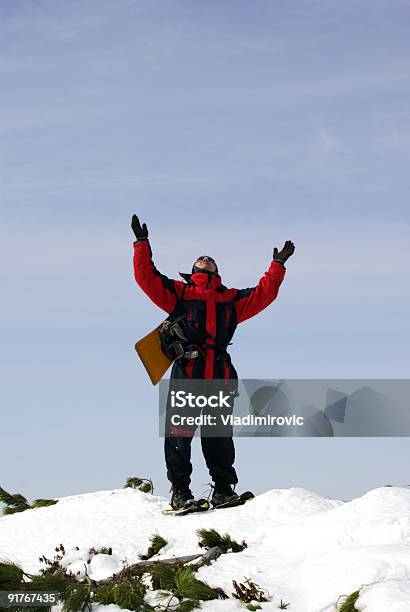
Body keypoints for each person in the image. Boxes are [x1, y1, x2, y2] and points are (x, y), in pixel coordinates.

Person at [132, 215, 295, 509]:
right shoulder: (179, 294)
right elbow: (147, 279)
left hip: (220, 375)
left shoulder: (231, 300)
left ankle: (223, 490)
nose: (206, 259)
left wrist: (277, 266)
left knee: (219, 436)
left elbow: (263, 293)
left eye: (211, 259)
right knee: (179, 434)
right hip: (188, 373)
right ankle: (180, 492)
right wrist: (142, 245)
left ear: (217, 270)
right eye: (201, 259)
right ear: (194, 270)